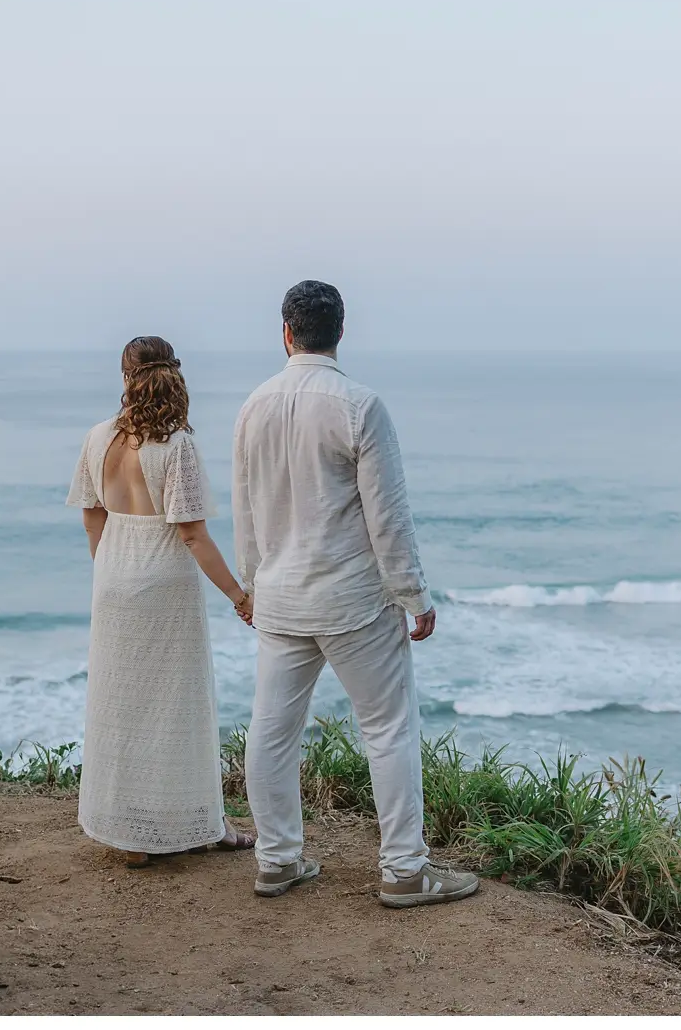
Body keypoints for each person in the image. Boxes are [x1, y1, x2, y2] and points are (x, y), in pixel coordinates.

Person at [233, 280, 479, 908]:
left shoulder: (252, 405)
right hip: (351, 600)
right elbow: (387, 514)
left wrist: (250, 583)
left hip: (280, 598)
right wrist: (413, 594)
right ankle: (403, 870)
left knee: (270, 731)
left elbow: (245, 510)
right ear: (341, 332)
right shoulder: (360, 405)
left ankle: (277, 860)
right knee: (388, 728)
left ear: (285, 332)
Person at [66, 335, 255, 868]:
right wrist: (241, 596)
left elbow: (91, 515)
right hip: (165, 580)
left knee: (120, 704)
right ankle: (201, 825)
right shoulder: (176, 446)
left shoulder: (97, 438)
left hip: (113, 574)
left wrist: (109, 569)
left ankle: (129, 834)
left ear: (124, 376)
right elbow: (192, 534)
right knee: (179, 705)